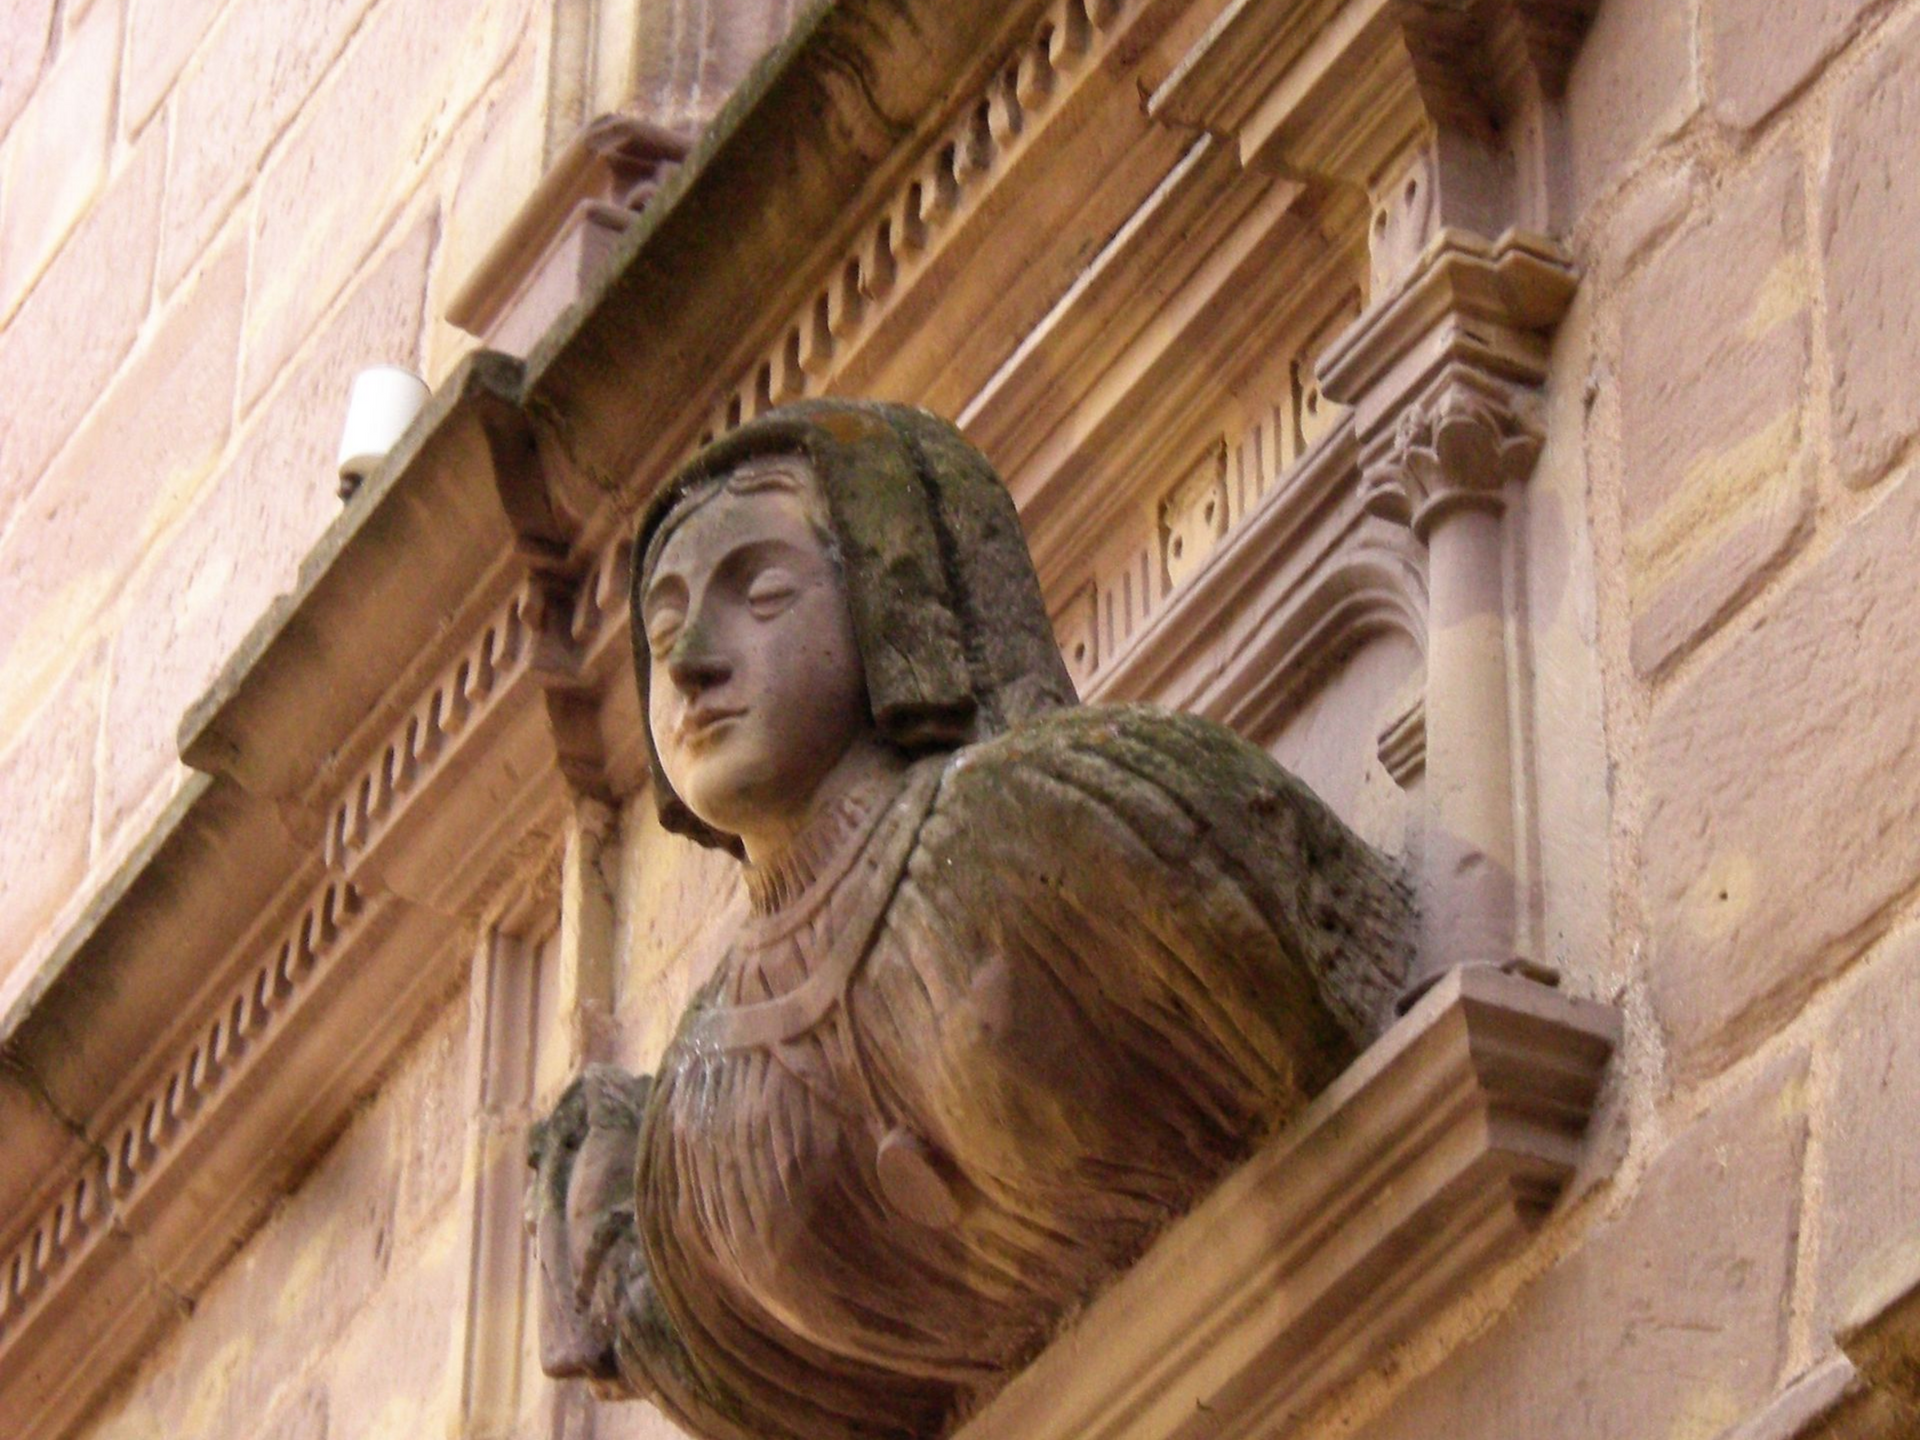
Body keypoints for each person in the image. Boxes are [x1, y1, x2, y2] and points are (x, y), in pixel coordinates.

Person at [530, 400, 1410, 1440]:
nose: (688, 666)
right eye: (663, 631)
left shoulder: (1051, 827)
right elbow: (777, 1386)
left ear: (889, 606)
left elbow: (1288, 990)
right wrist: (621, 1261)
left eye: (760, 594)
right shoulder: (691, 1116)